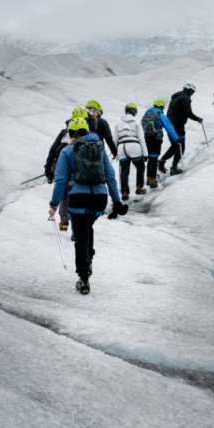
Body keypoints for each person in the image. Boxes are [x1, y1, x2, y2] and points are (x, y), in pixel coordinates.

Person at [48, 116, 124, 295]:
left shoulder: (67, 151)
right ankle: (88, 255)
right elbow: (111, 176)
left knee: (81, 234)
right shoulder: (99, 148)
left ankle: (83, 277)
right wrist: (117, 201)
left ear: (72, 133)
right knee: (87, 226)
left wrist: (54, 204)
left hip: (78, 198)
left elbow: (60, 181)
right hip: (99, 199)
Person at [44, 106, 88, 231]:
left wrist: (48, 169)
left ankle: (64, 221)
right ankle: (77, 227)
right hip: (81, 173)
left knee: (64, 194)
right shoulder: (88, 135)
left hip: (62, 168)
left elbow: (53, 150)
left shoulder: (64, 133)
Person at [159, 83, 202, 175]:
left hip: (170, 124)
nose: (192, 94)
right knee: (180, 146)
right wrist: (198, 119)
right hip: (178, 125)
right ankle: (173, 168)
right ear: (190, 91)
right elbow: (188, 113)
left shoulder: (176, 96)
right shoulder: (185, 98)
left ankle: (162, 161)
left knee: (175, 145)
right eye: (192, 92)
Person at [141, 98, 180, 188]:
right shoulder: (159, 113)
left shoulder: (147, 113)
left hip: (147, 138)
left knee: (151, 158)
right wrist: (176, 138)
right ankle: (153, 180)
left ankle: (148, 178)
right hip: (156, 138)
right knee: (154, 158)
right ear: (161, 106)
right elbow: (168, 126)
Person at [115, 102, 148, 200]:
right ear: (135, 112)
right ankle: (139, 187)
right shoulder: (136, 123)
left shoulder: (118, 124)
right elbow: (141, 138)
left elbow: (114, 140)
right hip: (134, 146)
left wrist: (115, 152)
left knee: (124, 171)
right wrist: (145, 153)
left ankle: (124, 193)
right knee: (140, 167)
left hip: (122, 147)